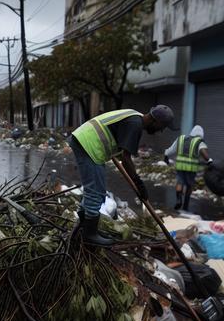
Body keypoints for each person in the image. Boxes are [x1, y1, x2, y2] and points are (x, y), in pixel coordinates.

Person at [69, 105, 176, 245]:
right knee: (94, 191)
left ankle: (84, 228)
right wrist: (138, 182)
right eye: (162, 126)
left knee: (97, 192)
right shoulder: (135, 124)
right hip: (88, 144)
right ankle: (89, 234)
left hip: (87, 142)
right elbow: (126, 159)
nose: (161, 130)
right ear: (156, 121)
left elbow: (120, 151)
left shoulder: (134, 116)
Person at [164, 125, 212, 211]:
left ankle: (178, 200)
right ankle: (186, 204)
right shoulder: (199, 141)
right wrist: (209, 160)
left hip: (180, 165)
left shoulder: (181, 138)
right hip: (191, 167)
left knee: (180, 182)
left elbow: (172, 149)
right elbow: (203, 151)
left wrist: (166, 155)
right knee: (189, 185)